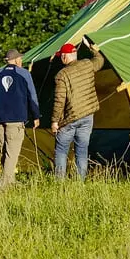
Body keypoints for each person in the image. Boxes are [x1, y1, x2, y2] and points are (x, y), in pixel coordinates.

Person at [50, 36, 104, 180]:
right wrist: (93, 49)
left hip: (70, 118)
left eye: (61, 56)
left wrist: (55, 121)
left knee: (61, 150)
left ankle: (59, 182)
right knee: (82, 150)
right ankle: (80, 182)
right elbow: (100, 61)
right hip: (87, 116)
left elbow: (59, 100)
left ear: (64, 57)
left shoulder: (62, 75)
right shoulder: (87, 64)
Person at [0, 49, 40, 190]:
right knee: (12, 153)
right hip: (15, 118)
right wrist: (36, 115)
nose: (21, 61)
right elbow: (32, 96)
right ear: (16, 60)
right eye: (20, 59)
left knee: (6, 151)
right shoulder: (24, 74)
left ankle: (10, 182)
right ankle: (4, 187)